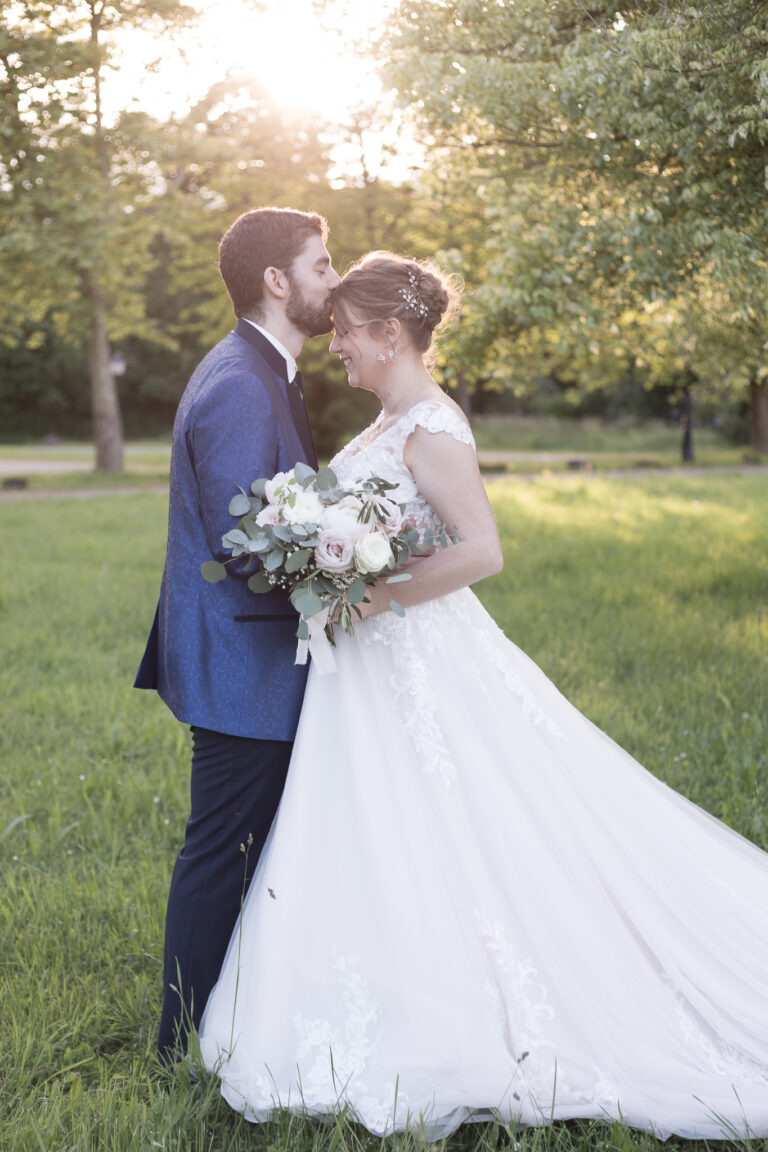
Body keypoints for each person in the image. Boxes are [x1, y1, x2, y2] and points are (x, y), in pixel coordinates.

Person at [198, 252, 768, 1139]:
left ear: (391, 332)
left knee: (458, 821)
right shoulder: (388, 417)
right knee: (380, 825)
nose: (337, 342)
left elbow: (480, 551)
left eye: (349, 329)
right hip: (370, 670)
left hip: (414, 656)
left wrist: (367, 592)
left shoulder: (432, 426)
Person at [134, 206, 340, 1062]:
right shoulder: (237, 384)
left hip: (258, 659)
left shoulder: (271, 372)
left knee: (251, 848)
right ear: (276, 281)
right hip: (240, 667)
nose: (334, 279)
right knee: (220, 851)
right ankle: (177, 1042)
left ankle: (242, 1015)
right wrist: (344, 580)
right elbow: (243, 542)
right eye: (322, 264)